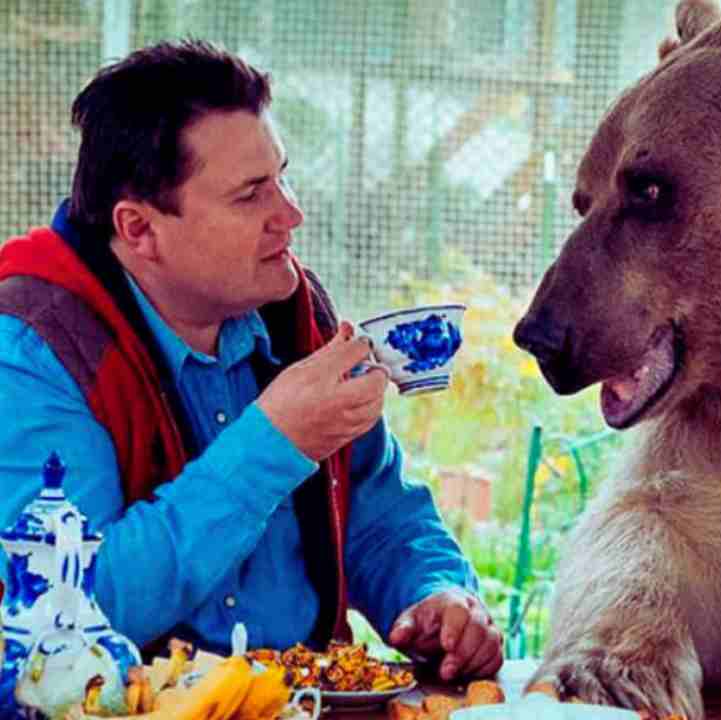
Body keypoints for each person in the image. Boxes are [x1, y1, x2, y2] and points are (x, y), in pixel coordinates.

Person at [0, 40, 502, 682]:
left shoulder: (296, 313)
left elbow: (378, 513)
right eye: (250, 195)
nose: (290, 214)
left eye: (283, 176)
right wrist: (274, 443)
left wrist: (436, 597)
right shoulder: (36, 350)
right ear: (138, 229)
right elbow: (67, 613)